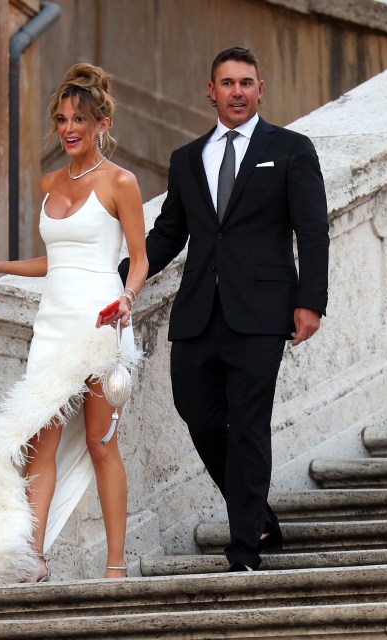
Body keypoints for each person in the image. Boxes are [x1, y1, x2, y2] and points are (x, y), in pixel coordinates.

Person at [119, 46, 329, 572]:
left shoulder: (291, 149)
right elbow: (168, 234)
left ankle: (244, 550)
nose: (237, 92)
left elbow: (312, 230)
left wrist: (311, 301)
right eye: (227, 83)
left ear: (261, 90)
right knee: (197, 412)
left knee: (249, 423)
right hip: (197, 313)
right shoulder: (187, 159)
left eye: (247, 83)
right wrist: (113, 280)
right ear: (210, 91)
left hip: (262, 312)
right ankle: (256, 514)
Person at [0, 63, 148, 583]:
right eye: (60, 119)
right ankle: (32, 559)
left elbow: (139, 259)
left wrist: (127, 297)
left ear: (102, 123)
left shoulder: (121, 183)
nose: (68, 128)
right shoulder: (49, 182)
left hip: (100, 320)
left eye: (79, 118)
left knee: (103, 443)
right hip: (52, 323)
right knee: (41, 440)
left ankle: (116, 566)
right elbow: (53, 261)